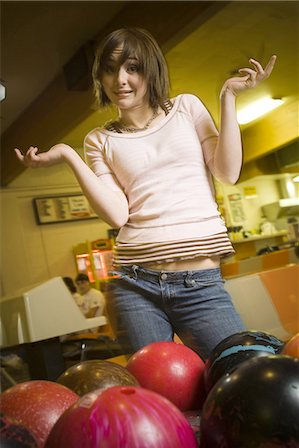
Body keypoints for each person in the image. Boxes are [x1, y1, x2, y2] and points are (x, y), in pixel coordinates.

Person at [15, 27, 276, 359]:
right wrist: (68, 154)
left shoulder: (187, 109)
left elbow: (227, 172)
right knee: (157, 399)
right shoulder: (99, 140)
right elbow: (117, 215)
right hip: (134, 286)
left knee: (240, 372)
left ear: (151, 69)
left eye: (132, 67)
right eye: (110, 69)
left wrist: (228, 97)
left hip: (201, 285)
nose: (119, 79)